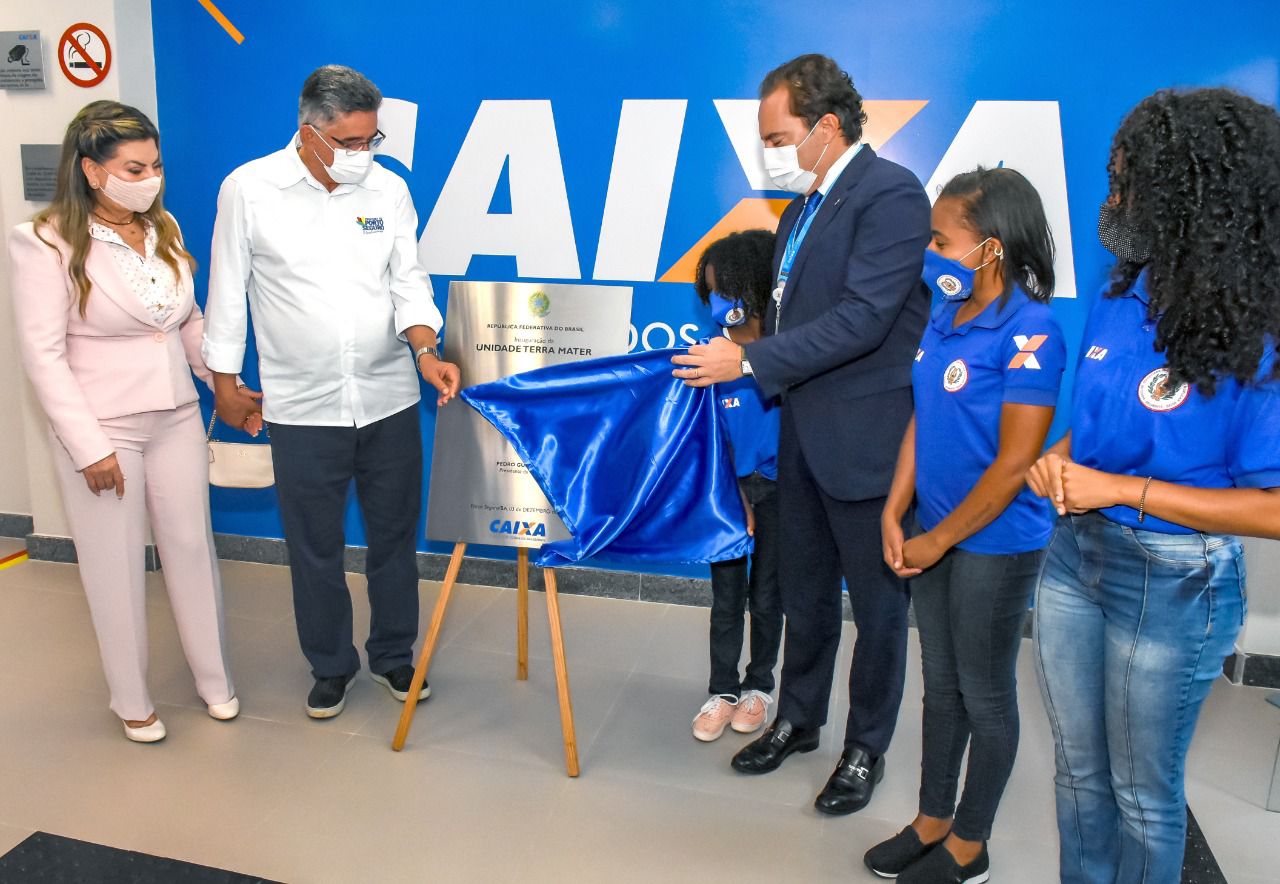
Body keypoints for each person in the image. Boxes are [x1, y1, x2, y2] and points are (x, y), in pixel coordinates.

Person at [1026, 88, 1280, 884]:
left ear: (1190, 191)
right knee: (1077, 773)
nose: (1115, 198)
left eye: (1129, 180)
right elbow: (1095, 431)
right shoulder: (1120, 292)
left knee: (1143, 794)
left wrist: (1116, 490)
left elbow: (1272, 509)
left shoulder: (1258, 330)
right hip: (1074, 558)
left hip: (1176, 581)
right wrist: (1060, 460)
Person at [674, 53, 931, 815]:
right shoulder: (798, 212)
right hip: (802, 438)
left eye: (778, 137)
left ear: (827, 125)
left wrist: (749, 359)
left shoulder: (891, 194)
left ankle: (865, 748)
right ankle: (799, 718)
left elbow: (865, 319)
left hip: (868, 441)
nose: (769, 154)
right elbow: (791, 318)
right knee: (806, 596)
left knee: (878, 611)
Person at [203, 65, 460, 720]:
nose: (361, 154)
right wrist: (225, 385)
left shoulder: (388, 190)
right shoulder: (249, 189)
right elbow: (227, 294)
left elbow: (408, 282)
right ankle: (330, 665)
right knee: (314, 548)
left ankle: (394, 654)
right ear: (308, 130)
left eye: (370, 140)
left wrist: (426, 351)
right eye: (348, 142)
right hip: (302, 405)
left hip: (389, 398)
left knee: (394, 540)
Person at [8, 101, 252, 742]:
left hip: (175, 414)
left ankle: (214, 680)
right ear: (91, 170)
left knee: (192, 548)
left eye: (156, 166)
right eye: (134, 169)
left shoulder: (162, 225)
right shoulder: (43, 240)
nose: (151, 179)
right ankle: (132, 700)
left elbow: (187, 320)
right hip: (103, 427)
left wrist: (221, 386)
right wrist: (87, 447)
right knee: (114, 564)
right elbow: (43, 355)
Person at [864, 167, 1064, 884]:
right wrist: (895, 507)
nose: (930, 252)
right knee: (941, 682)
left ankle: (970, 843)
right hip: (933, 530)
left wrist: (938, 539)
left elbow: (1014, 465)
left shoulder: (1033, 330)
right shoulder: (945, 315)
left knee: (985, 692)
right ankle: (932, 819)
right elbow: (924, 417)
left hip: (993, 542)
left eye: (942, 241)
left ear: (991, 248)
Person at [688, 229, 783, 742]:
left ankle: (759, 687)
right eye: (710, 292)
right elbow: (707, 435)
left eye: (725, 290)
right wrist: (734, 494)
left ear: (755, 286)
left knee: (768, 597)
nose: (718, 303)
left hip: (782, 492)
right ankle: (722, 691)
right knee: (726, 598)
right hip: (728, 493)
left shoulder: (788, 351)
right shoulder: (710, 354)